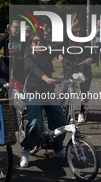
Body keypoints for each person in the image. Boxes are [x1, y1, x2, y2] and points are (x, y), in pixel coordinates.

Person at [20, 33, 67, 168]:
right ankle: (26, 149)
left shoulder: (47, 55)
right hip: (33, 93)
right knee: (35, 123)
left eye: (41, 42)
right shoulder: (28, 58)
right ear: (31, 45)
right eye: (35, 42)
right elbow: (34, 69)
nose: (39, 44)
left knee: (61, 120)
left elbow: (59, 45)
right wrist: (45, 77)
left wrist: (67, 29)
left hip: (48, 93)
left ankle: (58, 149)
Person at [57, 21, 94, 123]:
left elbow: (93, 54)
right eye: (75, 32)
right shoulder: (67, 41)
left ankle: (82, 112)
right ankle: (60, 109)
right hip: (70, 68)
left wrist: (90, 59)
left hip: (83, 69)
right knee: (65, 89)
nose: (78, 34)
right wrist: (60, 55)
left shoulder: (86, 42)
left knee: (84, 90)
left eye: (80, 32)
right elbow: (58, 45)